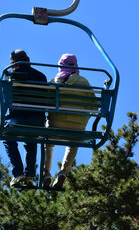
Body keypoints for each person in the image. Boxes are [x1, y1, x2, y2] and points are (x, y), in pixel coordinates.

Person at [43, 54, 95, 189]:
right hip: (78, 126)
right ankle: (63, 172)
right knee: (73, 143)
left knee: (48, 143)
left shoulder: (54, 81)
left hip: (56, 124)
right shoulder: (84, 82)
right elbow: (95, 106)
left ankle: (46, 173)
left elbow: (45, 102)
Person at [3, 49, 47, 186]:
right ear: (28, 59)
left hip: (18, 119)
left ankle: (18, 173)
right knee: (31, 139)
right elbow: (47, 101)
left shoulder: (9, 76)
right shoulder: (41, 76)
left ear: (13, 63)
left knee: (8, 139)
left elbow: (2, 100)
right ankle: (30, 175)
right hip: (37, 121)